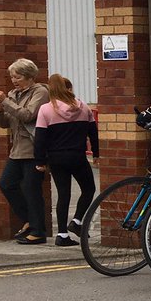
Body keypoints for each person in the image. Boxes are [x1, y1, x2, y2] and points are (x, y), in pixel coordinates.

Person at [33, 74, 98, 247]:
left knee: (63, 194)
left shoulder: (46, 110)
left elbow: (40, 138)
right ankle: (76, 221)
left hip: (56, 158)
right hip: (77, 157)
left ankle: (62, 235)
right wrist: (96, 153)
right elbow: (93, 133)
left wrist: (40, 161)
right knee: (89, 188)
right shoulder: (83, 107)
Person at [0, 58, 50, 244]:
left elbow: (27, 115)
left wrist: (6, 102)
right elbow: (6, 123)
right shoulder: (13, 94)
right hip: (17, 150)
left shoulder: (40, 92)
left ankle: (38, 231)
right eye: (12, 77)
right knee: (6, 184)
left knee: (31, 189)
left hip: (34, 149)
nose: (14, 81)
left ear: (29, 76)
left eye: (17, 77)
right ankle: (28, 221)